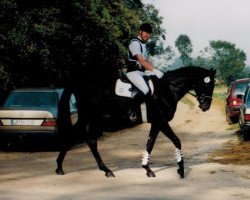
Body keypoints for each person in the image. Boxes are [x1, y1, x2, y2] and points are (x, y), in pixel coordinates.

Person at [126, 23, 164, 121]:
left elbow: (147, 61)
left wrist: (155, 71)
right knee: (146, 90)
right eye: (146, 33)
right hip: (133, 72)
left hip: (142, 72)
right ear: (140, 32)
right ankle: (132, 112)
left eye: (149, 33)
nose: (148, 35)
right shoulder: (134, 43)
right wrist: (154, 70)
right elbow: (141, 61)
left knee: (155, 85)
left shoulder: (143, 45)